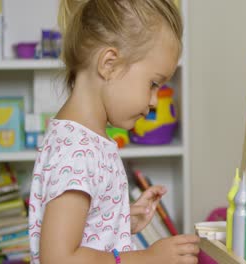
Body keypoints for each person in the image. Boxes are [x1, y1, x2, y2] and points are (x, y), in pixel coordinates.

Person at [28, 1, 200, 263]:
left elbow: (84, 236)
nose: (154, 101)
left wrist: (120, 220)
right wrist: (148, 258)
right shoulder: (77, 151)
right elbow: (59, 258)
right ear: (109, 64)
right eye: (153, 83)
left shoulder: (85, 140)